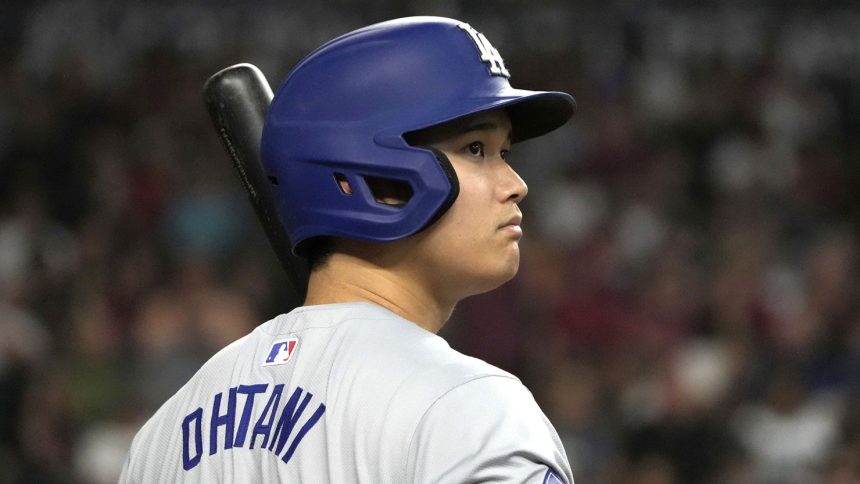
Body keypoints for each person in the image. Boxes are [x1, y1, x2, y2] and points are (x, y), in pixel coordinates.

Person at [120, 16, 576, 483]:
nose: (516, 186)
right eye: (476, 148)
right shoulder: (469, 409)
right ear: (372, 178)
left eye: (506, 154)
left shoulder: (162, 437)